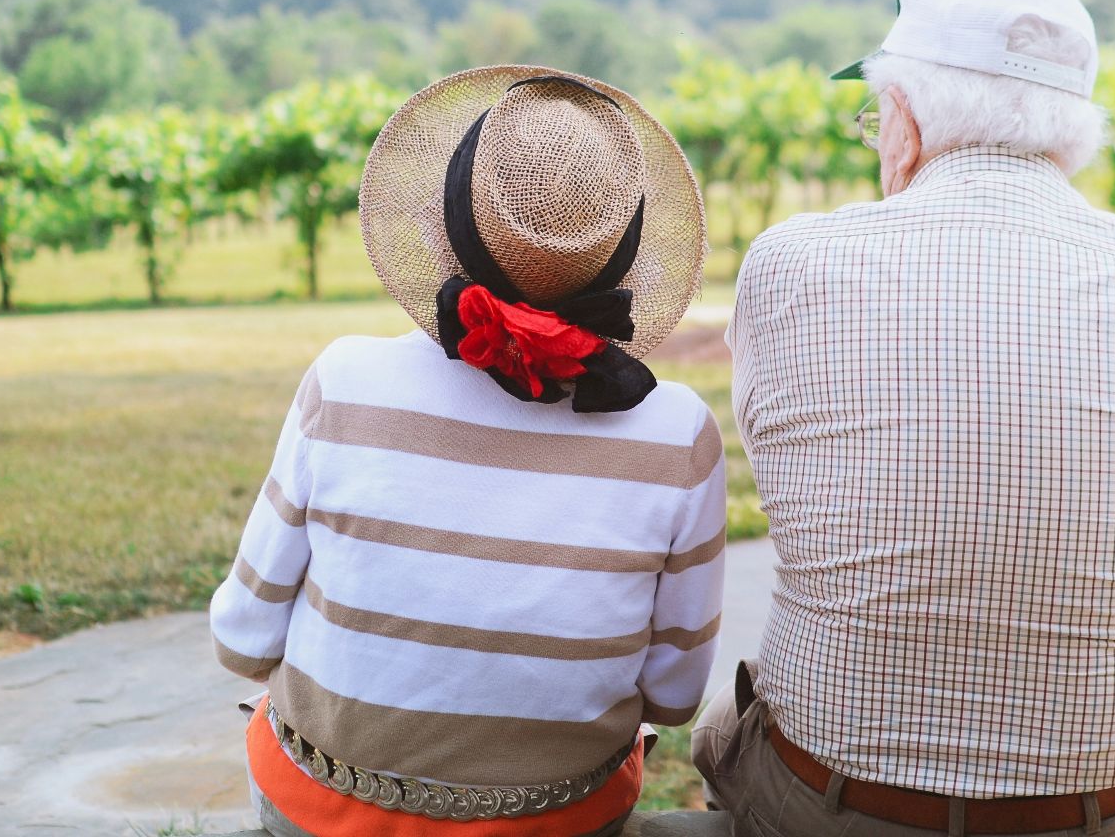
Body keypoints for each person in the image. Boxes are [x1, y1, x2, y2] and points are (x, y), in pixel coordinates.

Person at [694, 0, 1115, 836]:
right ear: (1072, 132)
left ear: (904, 121)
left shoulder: (791, 264)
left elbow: (791, 478)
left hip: (831, 803)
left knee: (727, 728)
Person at [211, 67, 728, 837]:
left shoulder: (346, 380)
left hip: (320, 813)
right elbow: (675, 698)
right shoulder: (678, 432)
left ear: (443, 225)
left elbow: (242, 638)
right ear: (620, 258)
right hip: (561, 821)